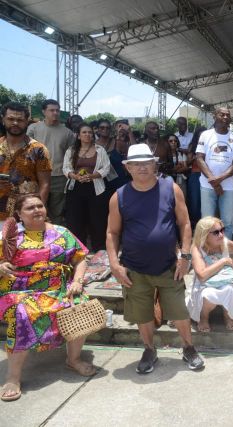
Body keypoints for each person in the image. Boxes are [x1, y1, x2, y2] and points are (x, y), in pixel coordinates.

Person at [106, 144, 204, 374]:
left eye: (146, 163)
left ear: (154, 164)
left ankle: (188, 347)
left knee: (179, 311)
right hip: (134, 268)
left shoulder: (171, 188)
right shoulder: (119, 196)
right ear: (128, 168)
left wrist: (186, 256)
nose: (142, 167)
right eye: (136, 164)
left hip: (169, 265)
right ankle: (149, 349)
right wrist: (114, 264)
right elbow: (112, 232)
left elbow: (185, 223)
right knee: (142, 314)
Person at [0, 193, 96, 402]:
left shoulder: (62, 233)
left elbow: (80, 259)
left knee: (80, 303)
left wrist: (78, 281)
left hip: (58, 287)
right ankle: (13, 377)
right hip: (20, 290)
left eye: (40, 206)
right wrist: (2, 266)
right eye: (30, 208)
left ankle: (73, 359)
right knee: (22, 314)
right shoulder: (10, 237)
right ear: (19, 214)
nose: (37, 210)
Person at [187, 216, 233, 332]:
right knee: (207, 294)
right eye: (216, 232)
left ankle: (227, 317)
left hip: (224, 281)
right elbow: (202, 276)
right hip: (204, 285)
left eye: (222, 230)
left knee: (230, 289)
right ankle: (204, 318)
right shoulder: (197, 248)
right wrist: (223, 262)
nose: (221, 235)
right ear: (204, 235)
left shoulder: (224, 242)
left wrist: (231, 269)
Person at [0, 103, 52, 226]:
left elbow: (45, 184)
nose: (15, 123)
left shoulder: (38, 149)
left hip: (27, 215)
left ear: (27, 122)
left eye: (20, 120)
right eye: (11, 119)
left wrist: (38, 211)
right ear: (3, 119)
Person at [62, 123, 111, 252]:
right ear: (78, 136)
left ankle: (99, 249)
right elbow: (66, 168)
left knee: (97, 219)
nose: (87, 134)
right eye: (84, 132)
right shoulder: (71, 150)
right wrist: (75, 176)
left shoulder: (100, 150)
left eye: (90, 132)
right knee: (75, 220)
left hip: (96, 188)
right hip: (75, 188)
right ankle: (79, 250)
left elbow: (106, 168)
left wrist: (93, 176)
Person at [26, 99, 74, 225]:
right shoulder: (33, 128)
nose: (55, 113)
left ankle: (54, 234)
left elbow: (71, 155)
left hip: (59, 176)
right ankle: (37, 233)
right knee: (36, 207)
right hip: (37, 175)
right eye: (51, 110)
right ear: (44, 112)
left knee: (57, 210)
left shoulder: (67, 132)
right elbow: (26, 150)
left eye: (57, 110)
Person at [196, 107, 233, 239]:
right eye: (222, 114)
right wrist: (214, 182)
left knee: (227, 222)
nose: (226, 117)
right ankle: (205, 249)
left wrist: (219, 179)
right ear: (214, 116)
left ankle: (225, 249)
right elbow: (199, 158)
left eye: (228, 115)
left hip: (228, 187)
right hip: (207, 185)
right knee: (207, 222)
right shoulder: (205, 135)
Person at [186, 126, 206, 228]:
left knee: (206, 202)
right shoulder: (193, 146)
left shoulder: (210, 145)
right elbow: (187, 162)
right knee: (195, 202)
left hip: (207, 176)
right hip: (196, 175)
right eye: (200, 135)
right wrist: (196, 157)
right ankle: (195, 225)